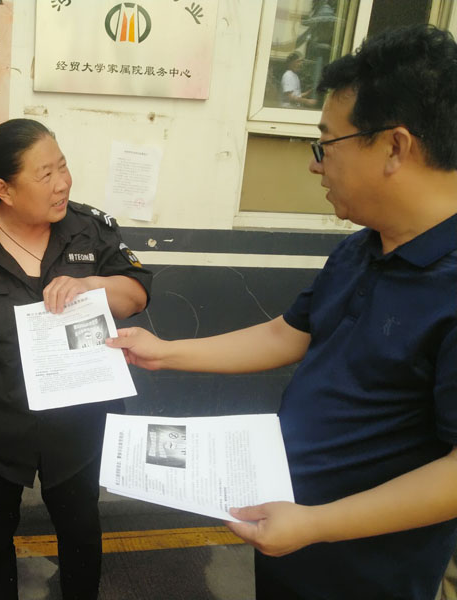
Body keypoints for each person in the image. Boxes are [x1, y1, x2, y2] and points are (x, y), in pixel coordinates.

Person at [107, 24, 457, 600]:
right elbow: (288, 334)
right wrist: (163, 352)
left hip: (367, 573)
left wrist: (317, 524)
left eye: (327, 144)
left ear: (395, 148)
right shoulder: (361, 247)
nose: (317, 166)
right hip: (287, 535)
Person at [0, 118, 151, 599]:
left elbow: (136, 296)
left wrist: (92, 285)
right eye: (45, 174)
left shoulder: (90, 231)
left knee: (80, 528)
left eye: (62, 166)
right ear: (3, 188)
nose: (62, 182)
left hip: (78, 421)